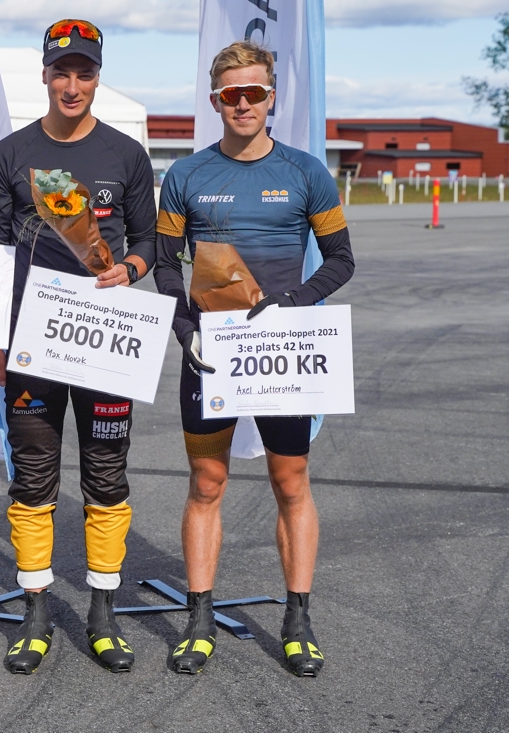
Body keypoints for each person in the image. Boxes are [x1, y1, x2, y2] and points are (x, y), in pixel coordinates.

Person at [152, 41, 355, 677]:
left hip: (280, 352)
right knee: (206, 483)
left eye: (255, 93)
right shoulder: (185, 176)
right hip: (211, 351)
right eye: (230, 94)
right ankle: (199, 619)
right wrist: (186, 326)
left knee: (290, 481)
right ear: (215, 100)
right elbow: (163, 265)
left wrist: (295, 302)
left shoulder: (306, 172)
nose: (243, 104)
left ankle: (298, 618)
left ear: (272, 97)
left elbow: (343, 260)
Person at [0, 19, 157, 675]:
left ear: (97, 75)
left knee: (107, 477)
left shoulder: (125, 154)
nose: (72, 83)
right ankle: (35, 614)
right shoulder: (10, 154)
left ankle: (103, 613)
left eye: (84, 71)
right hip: (31, 342)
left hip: (107, 340)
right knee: (33, 477)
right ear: (46, 75)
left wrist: (130, 271)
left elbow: (152, 242)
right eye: (62, 71)